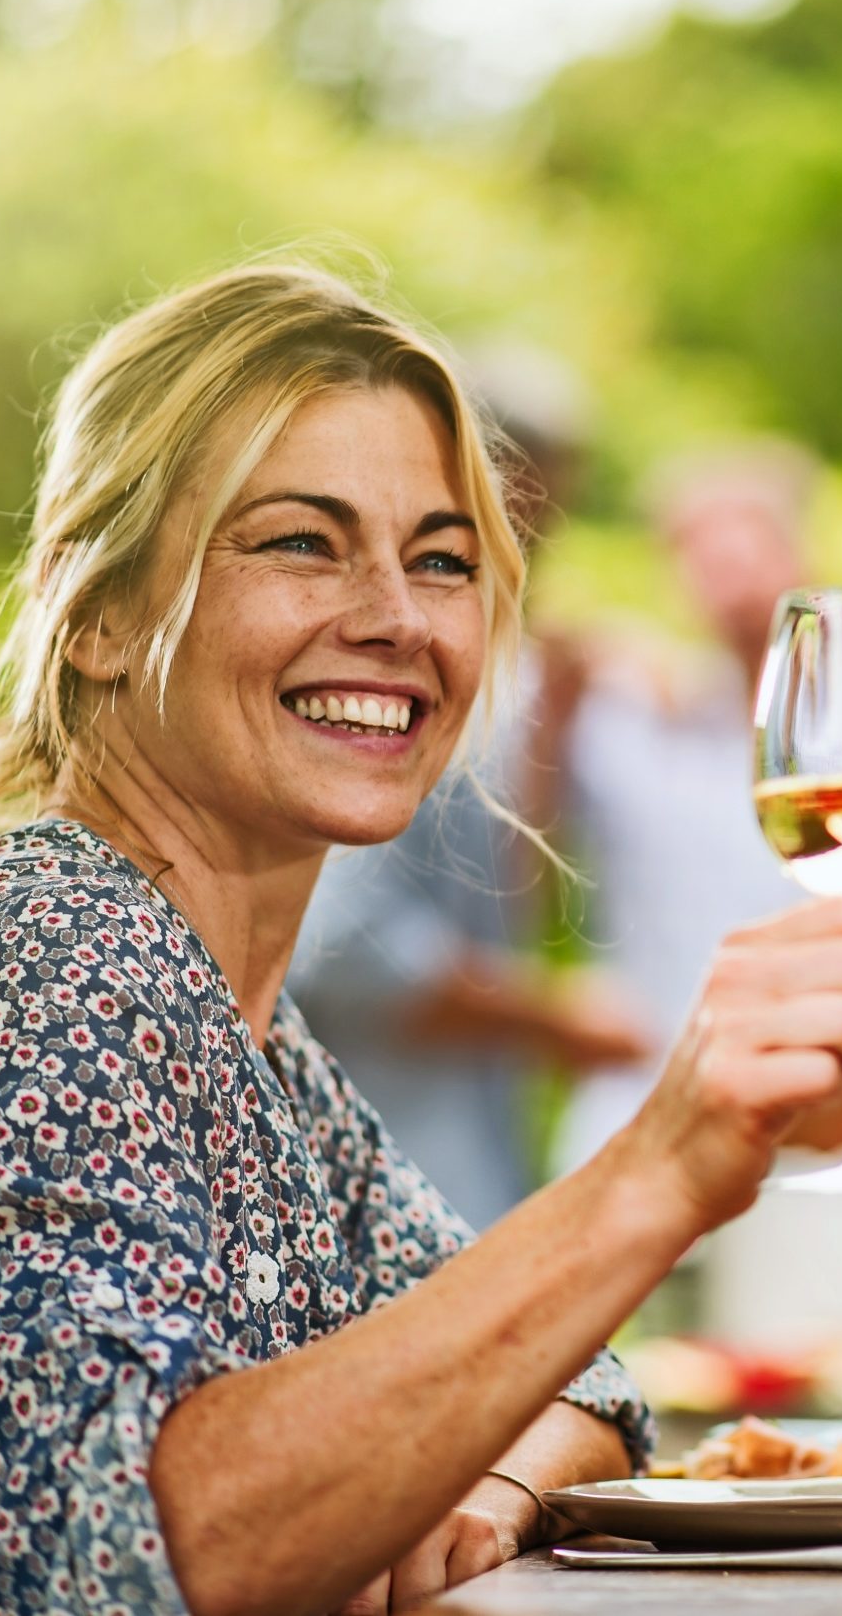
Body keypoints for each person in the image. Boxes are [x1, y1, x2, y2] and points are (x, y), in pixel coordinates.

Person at [0, 264, 842, 1613]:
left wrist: (478, 1484)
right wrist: (663, 1165)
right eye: (300, 542)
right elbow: (152, 1554)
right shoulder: (32, 968)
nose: (397, 617)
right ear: (96, 614)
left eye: (442, 560)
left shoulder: (258, 1050)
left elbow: (585, 1377)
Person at [286, 348, 651, 1231]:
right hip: (382, 1177)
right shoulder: (376, 666)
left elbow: (495, 887)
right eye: (529, 496)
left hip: (484, 1163)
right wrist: (549, 1019)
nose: (541, 529)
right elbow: (345, 949)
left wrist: (552, 737)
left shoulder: (515, 671)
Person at [538, 444, 816, 1176]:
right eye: (702, 556)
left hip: (810, 1129)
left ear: (800, 551)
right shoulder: (635, 721)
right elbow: (524, 861)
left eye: (746, 547)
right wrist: (560, 702)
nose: (728, 577)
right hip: (637, 1112)